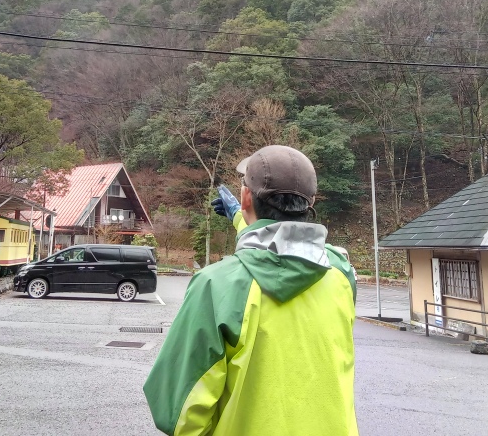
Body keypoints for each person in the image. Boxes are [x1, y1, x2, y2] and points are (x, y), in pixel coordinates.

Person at [143, 145, 358, 436]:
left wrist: (242, 216)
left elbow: (178, 412)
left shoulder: (215, 284)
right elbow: (291, 247)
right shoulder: (341, 274)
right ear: (312, 202)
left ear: (246, 197)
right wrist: (239, 219)